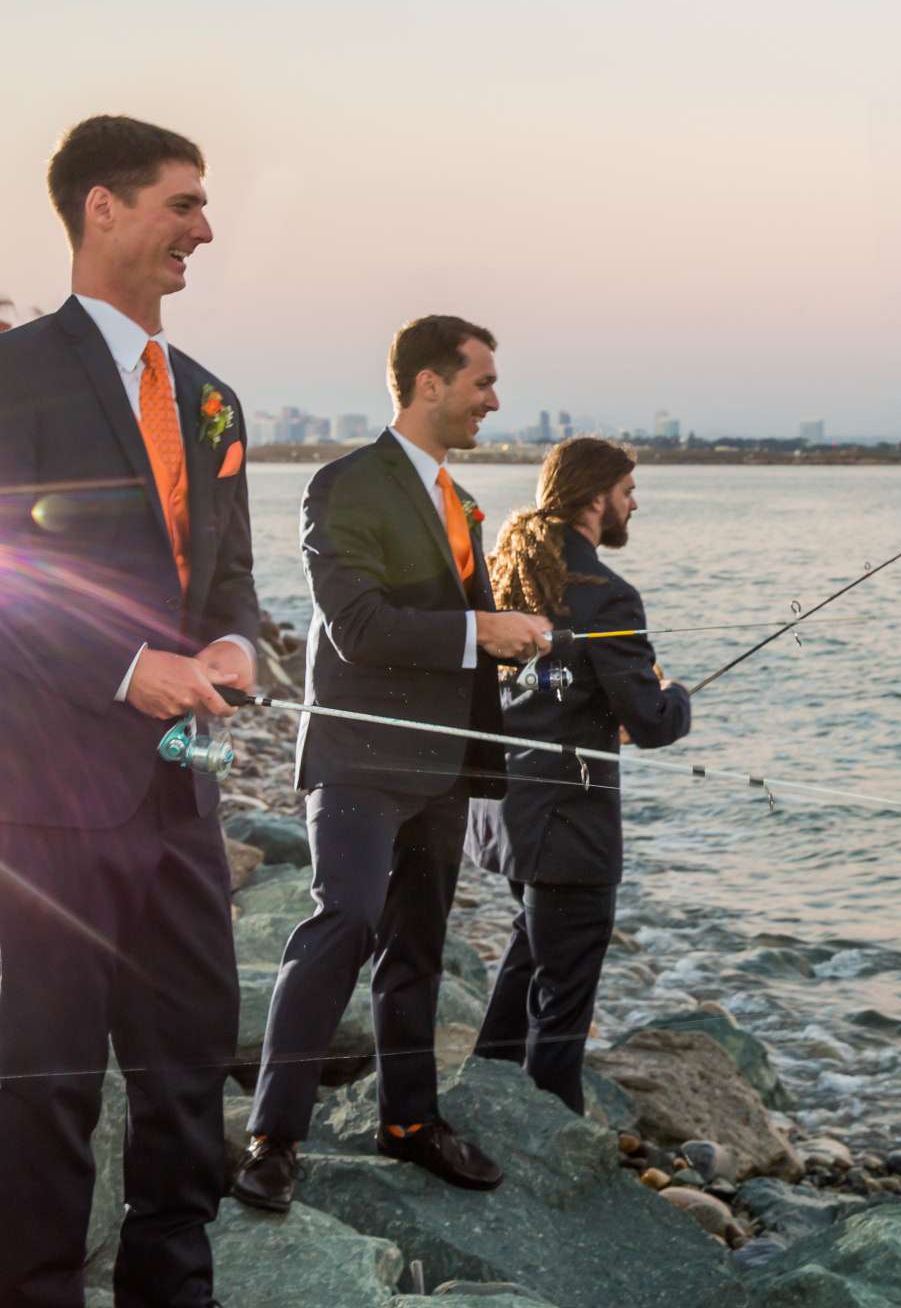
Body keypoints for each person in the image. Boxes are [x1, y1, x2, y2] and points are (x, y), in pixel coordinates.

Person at [0, 115, 257, 1308]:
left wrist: (231, 644)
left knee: (189, 1059)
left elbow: (234, 588)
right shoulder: (5, 370)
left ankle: (175, 1290)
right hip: (42, 781)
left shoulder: (211, 401)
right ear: (100, 207)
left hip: (180, 776)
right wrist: (126, 665)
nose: (203, 230)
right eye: (183, 203)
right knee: (52, 1072)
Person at [232, 315, 553, 1214]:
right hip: (361, 755)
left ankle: (409, 1123)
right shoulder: (344, 485)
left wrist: (509, 645)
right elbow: (358, 625)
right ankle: (271, 1137)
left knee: (415, 950)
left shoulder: (461, 501)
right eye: (482, 382)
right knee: (342, 925)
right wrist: (478, 631)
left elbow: (456, 632)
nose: (495, 399)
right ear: (426, 384)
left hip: (446, 762)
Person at [467, 439, 689, 1112]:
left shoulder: (505, 571)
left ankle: (486, 1087)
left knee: (532, 949)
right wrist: (674, 694)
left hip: (506, 809)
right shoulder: (607, 598)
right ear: (595, 499)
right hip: (570, 823)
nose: (633, 503)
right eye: (627, 491)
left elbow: (540, 689)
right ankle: (553, 1132)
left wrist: (603, 709)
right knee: (564, 999)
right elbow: (650, 721)